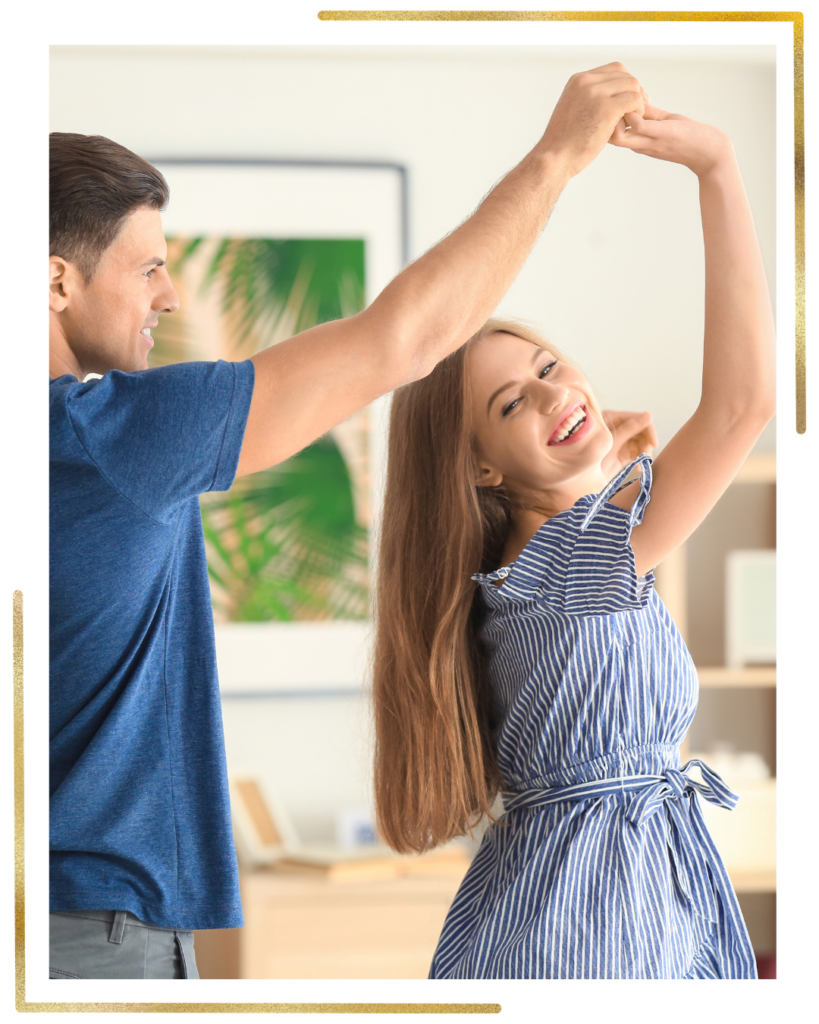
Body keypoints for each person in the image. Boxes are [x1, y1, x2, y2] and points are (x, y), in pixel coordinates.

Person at [48, 64, 653, 980]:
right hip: (92, 936)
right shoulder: (108, 435)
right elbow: (403, 339)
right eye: (149, 268)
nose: (167, 297)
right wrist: (557, 156)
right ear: (56, 279)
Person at [372, 100, 775, 979]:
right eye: (511, 404)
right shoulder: (574, 561)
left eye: (548, 368)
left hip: (573, 906)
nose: (553, 397)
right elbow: (744, 405)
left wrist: (598, 468)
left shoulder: (529, 572)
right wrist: (717, 168)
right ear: (478, 471)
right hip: (599, 922)